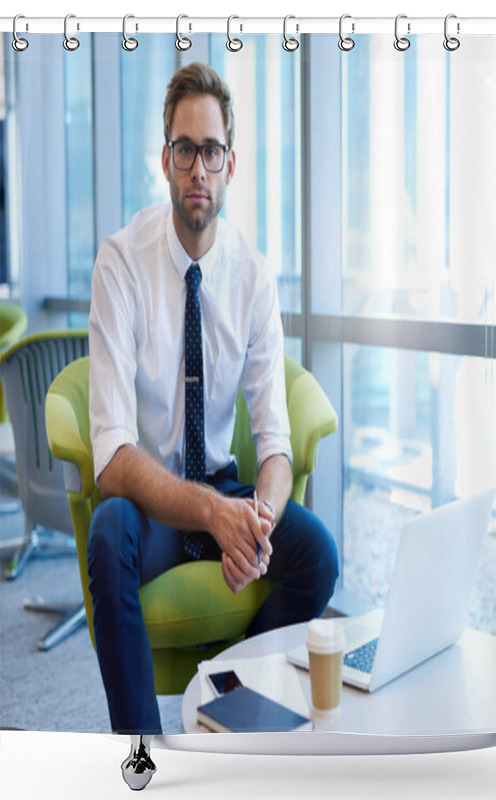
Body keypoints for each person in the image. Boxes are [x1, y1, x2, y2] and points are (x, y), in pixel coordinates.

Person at [87, 63, 338, 734]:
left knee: (318, 553)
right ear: (166, 161)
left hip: (227, 493)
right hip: (153, 503)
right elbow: (111, 460)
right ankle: (146, 752)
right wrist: (209, 514)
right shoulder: (120, 263)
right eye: (185, 149)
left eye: (213, 151)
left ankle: (234, 717)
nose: (199, 168)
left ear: (231, 164)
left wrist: (256, 522)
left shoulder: (253, 278)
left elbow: (275, 445)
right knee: (108, 532)